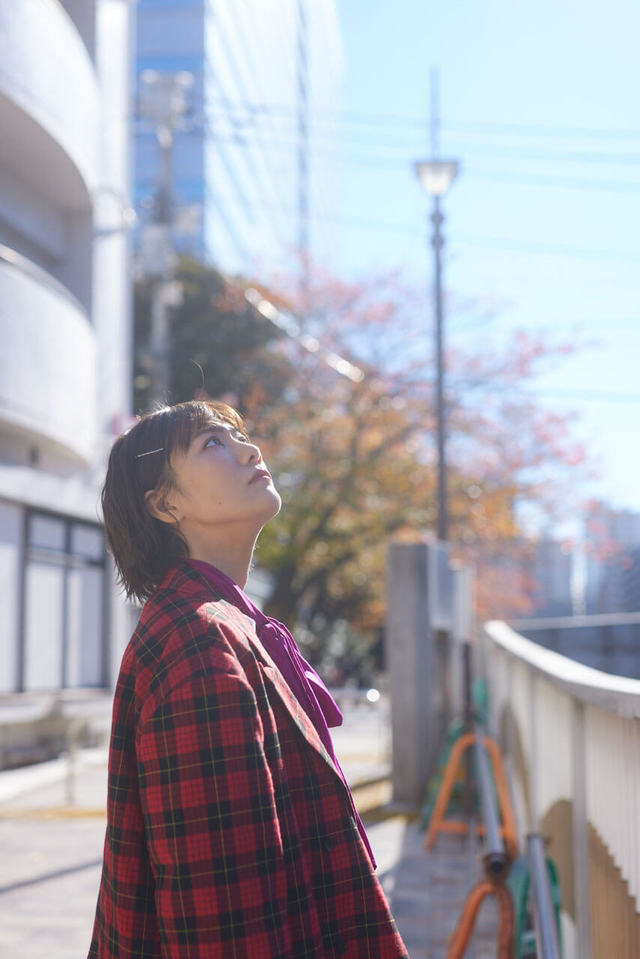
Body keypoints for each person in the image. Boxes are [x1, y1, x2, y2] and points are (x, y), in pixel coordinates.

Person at [89, 400, 408, 959]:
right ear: (166, 504)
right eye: (213, 443)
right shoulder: (200, 643)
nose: (250, 450)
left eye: (239, 435)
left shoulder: (217, 622)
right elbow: (222, 916)